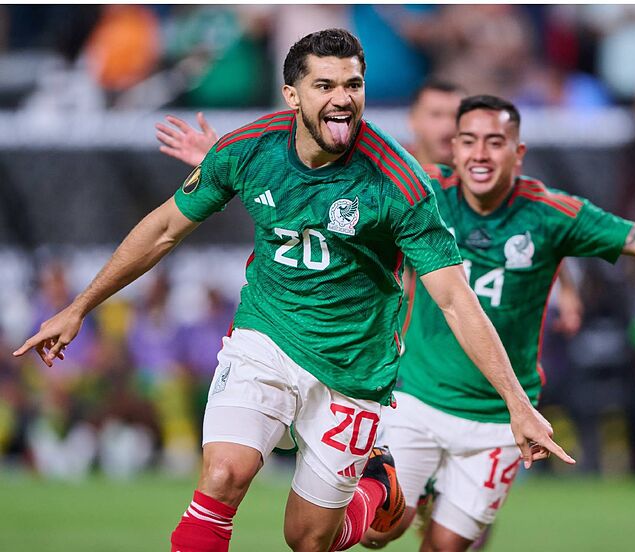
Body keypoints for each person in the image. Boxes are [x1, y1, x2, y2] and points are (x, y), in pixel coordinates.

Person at [13, 30, 571, 552]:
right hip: (266, 338)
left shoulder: (399, 184)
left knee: (307, 539)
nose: (343, 99)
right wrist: (79, 307)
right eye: (325, 85)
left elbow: (453, 298)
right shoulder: (248, 149)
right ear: (292, 94)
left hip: (353, 367)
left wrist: (517, 405)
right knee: (222, 475)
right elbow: (163, 229)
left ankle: (376, 485)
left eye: (353, 85)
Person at [361, 96, 635, 551]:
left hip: (502, 415)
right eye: (469, 142)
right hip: (417, 398)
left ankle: (436, 496)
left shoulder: (551, 214)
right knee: (382, 531)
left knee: (448, 547)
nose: (480, 154)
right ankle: (413, 495)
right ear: (453, 150)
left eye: (495, 142)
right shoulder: (425, 194)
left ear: (518, 153)